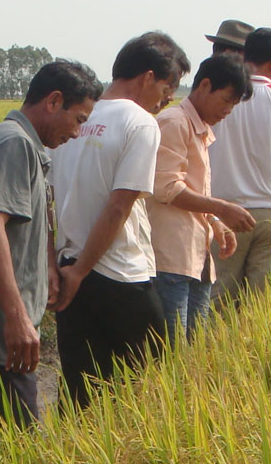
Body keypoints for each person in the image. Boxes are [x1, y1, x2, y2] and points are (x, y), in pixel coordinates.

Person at [51, 32, 190, 409]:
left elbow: (49, 200)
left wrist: (65, 268)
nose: (168, 99)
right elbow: (119, 207)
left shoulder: (74, 115)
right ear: (147, 77)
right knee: (151, 387)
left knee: (81, 392)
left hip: (69, 270)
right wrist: (82, 270)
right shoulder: (140, 122)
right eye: (167, 87)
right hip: (120, 275)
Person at [0, 59, 102, 428]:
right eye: (78, 119)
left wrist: (46, 272)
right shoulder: (14, 144)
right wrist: (16, 317)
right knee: (12, 453)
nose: (77, 133)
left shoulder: (24, 144)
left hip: (7, 338)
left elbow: (22, 226)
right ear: (54, 101)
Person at [148, 54, 256, 343]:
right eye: (227, 100)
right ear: (205, 85)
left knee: (195, 351)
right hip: (170, 260)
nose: (228, 110)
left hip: (195, 258)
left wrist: (216, 222)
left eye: (234, 104)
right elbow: (167, 187)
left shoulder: (200, 129)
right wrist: (221, 207)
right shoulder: (175, 123)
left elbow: (194, 189)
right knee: (173, 354)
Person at [208, 27, 271, 302]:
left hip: (224, 213)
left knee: (218, 302)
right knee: (264, 306)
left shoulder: (217, 96)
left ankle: (215, 346)